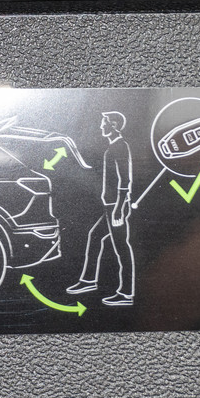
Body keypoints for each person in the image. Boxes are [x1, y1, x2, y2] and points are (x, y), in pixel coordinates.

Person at [66, 111, 135, 306]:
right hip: (111, 204)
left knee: (121, 247)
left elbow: (125, 180)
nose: (101, 126)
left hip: (116, 206)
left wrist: (119, 208)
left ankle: (126, 293)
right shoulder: (113, 147)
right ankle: (88, 281)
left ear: (114, 125)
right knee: (95, 236)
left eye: (104, 123)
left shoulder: (120, 147)